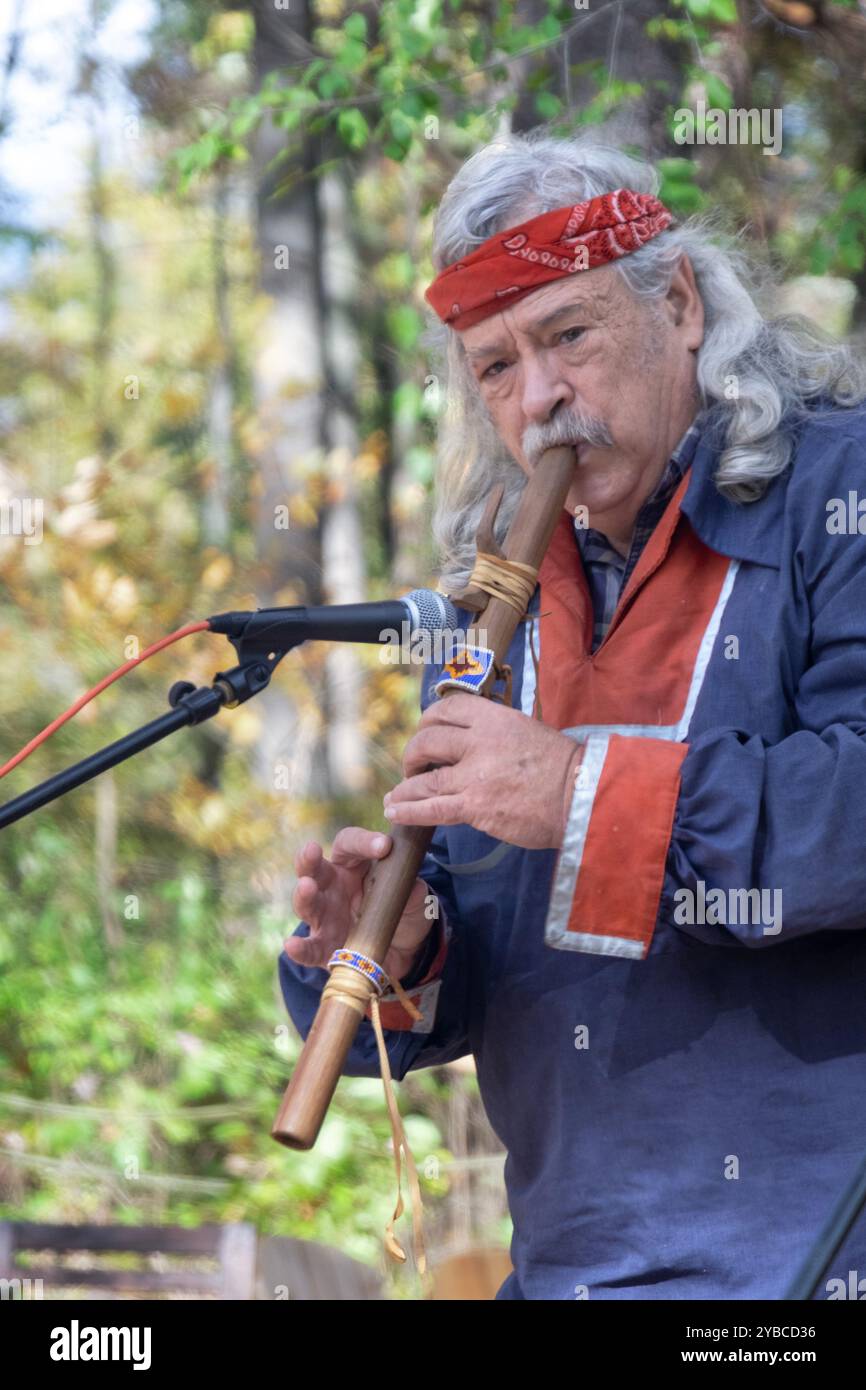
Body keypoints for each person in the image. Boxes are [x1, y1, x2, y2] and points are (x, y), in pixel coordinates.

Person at [279, 131, 866, 1300]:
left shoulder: (835, 493)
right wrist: (407, 953)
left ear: (681, 305)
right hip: (572, 1270)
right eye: (494, 367)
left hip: (801, 1269)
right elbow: (524, 961)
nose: (539, 397)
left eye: (568, 336)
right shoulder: (499, 596)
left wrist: (577, 790)